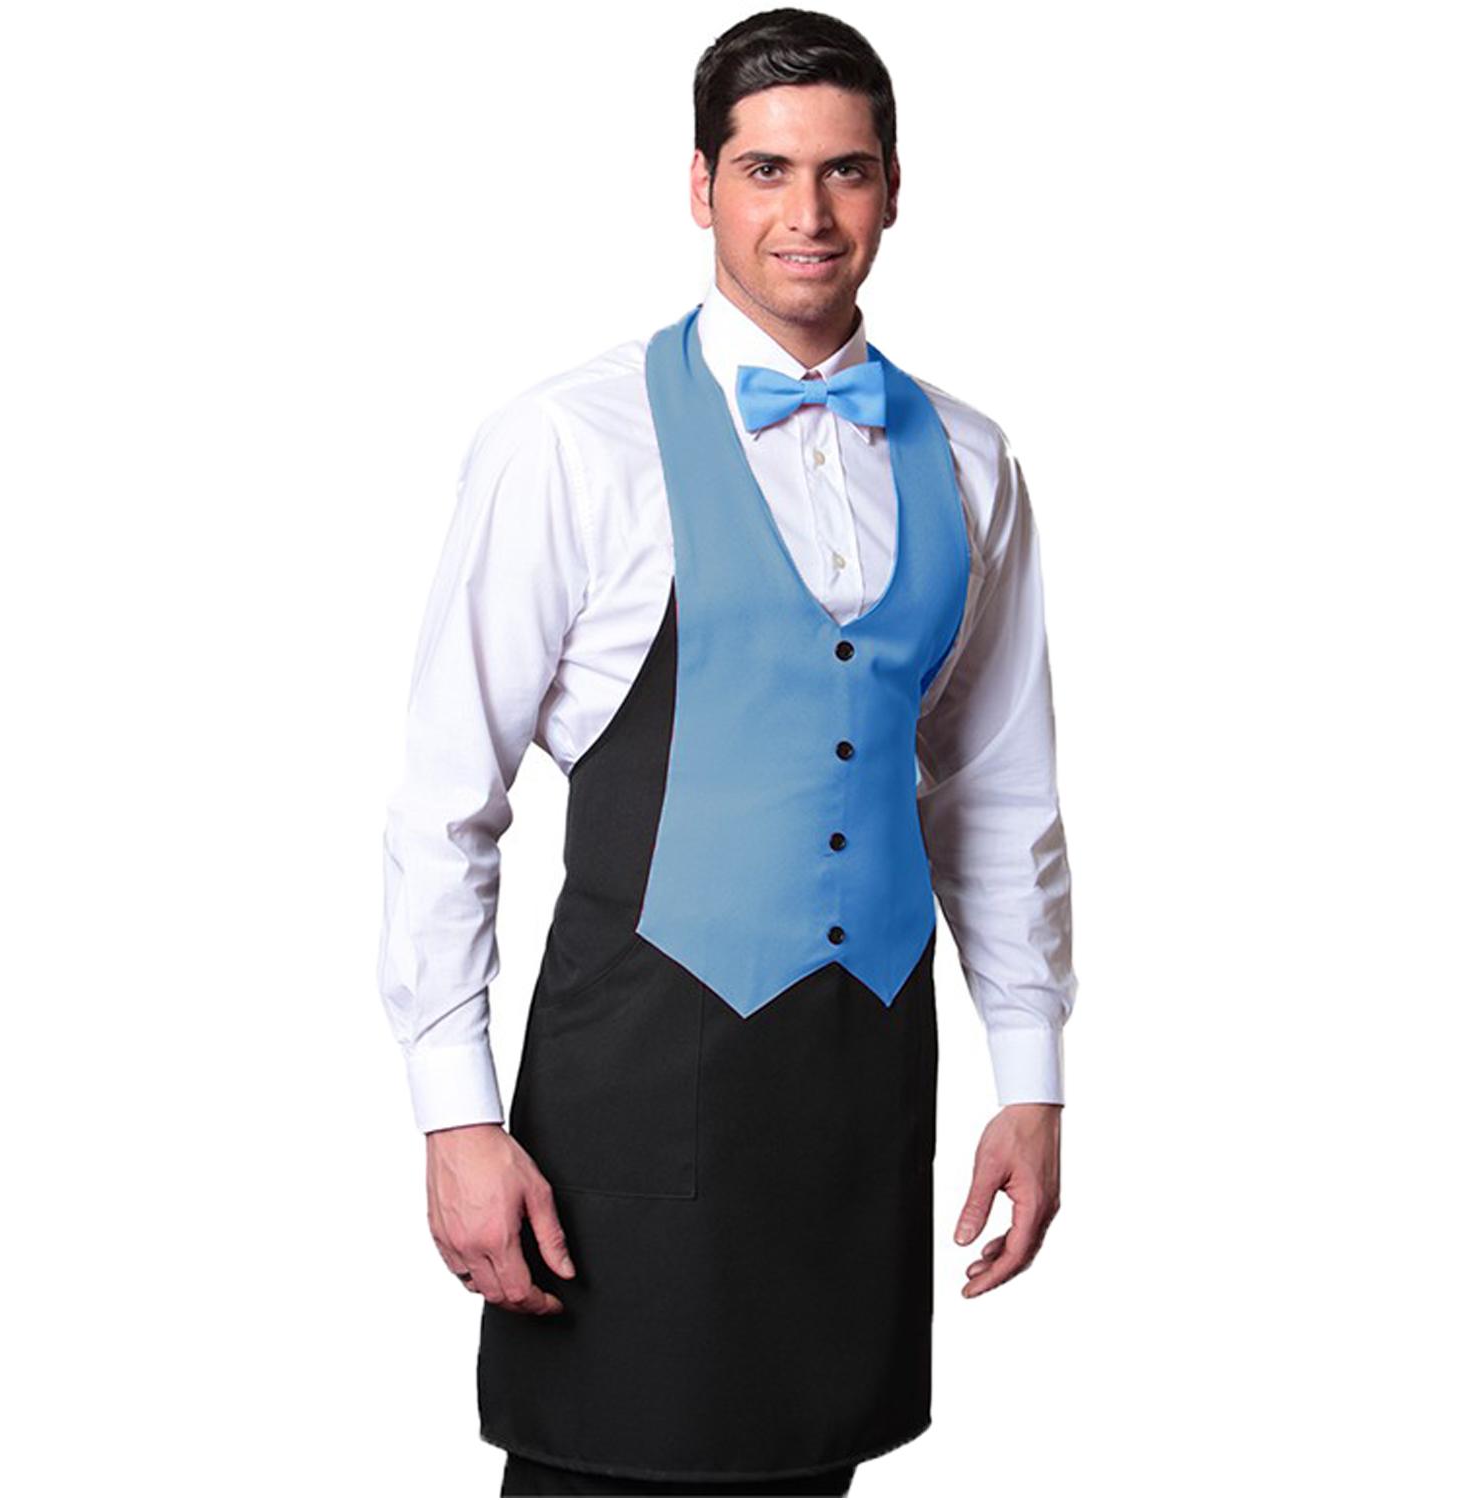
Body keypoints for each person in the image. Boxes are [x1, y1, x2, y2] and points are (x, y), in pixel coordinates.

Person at [377, 9, 1078, 1495]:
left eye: (845, 171)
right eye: (766, 170)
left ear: (894, 188)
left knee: (813, 1476)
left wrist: (1031, 1075)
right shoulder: (568, 442)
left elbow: (996, 790)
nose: (807, 213)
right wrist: (457, 1116)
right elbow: (446, 803)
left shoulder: (971, 457)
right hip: (634, 1093)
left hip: (861, 1088)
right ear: (701, 186)